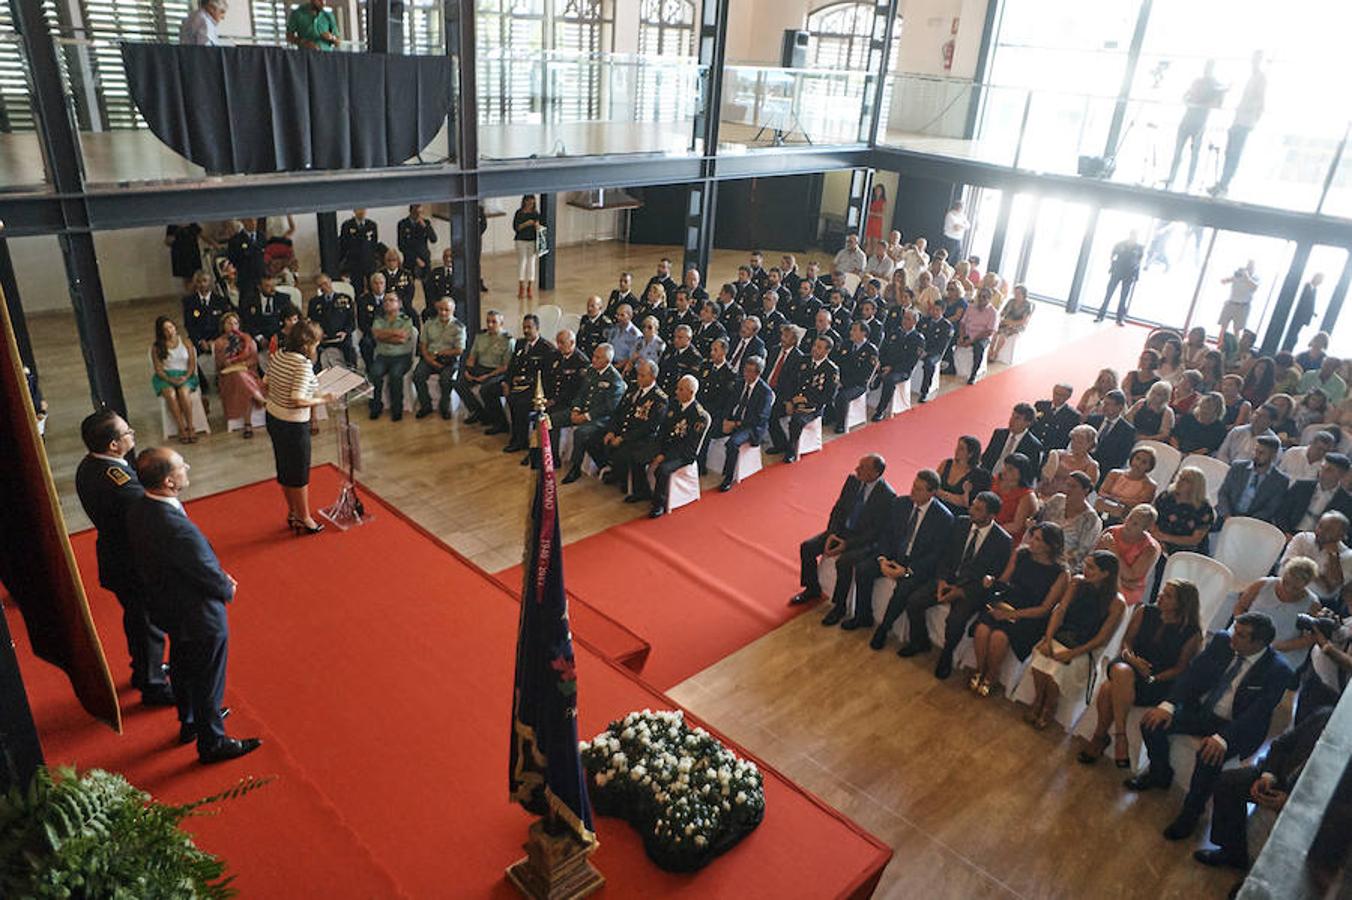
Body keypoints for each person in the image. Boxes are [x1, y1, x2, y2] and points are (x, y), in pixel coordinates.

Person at [126, 448, 262, 763]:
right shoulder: (176, 528)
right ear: (169, 481)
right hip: (198, 613)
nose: (186, 467)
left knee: (184, 665)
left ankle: (190, 722)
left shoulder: (140, 508)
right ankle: (212, 740)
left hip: (169, 606)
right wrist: (226, 586)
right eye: (180, 466)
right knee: (209, 675)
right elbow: (202, 568)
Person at [1126, 612, 1294, 842]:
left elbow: (1257, 713)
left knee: (1210, 756)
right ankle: (1160, 772)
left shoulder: (1278, 670)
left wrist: (1223, 738)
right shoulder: (1223, 642)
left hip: (1236, 726)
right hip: (1203, 711)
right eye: (1236, 629)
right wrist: (1169, 705)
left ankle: (1191, 812)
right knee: (1152, 723)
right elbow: (1192, 675)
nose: (1234, 637)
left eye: (1242, 636)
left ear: (1259, 643)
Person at [75, 412, 173, 706]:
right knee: (147, 623)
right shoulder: (118, 481)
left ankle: (144, 669)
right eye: (127, 432)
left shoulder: (89, 466)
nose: (133, 434)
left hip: (116, 556)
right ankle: (153, 685)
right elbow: (151, 511)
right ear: (115, 445)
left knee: (137, 619)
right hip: (132, 562)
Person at [1078, 579, 1202, 767]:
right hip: (1129, 663)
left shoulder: (1192, 633)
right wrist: (1134, 660)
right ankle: (1121, 736)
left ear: (1181, 603)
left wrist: (1152, 677)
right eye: (1162, 592)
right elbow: (1126, 643)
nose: (1160, 596)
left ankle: (1100, 737)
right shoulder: (1145, 611)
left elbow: (1180, 668)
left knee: (1108, 688)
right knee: (1121, 671)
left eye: (1168, 596)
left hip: (1156, 680)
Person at [887, 491, 1013, 673]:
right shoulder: (961, 523)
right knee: (914, 601)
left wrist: (961, 592)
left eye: (978, 509)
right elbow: (945, 555)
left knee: (956, 620)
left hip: (970, 589)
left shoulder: (1002, 541)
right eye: (973, 505)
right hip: (948, 579)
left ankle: (947, 654)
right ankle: (919, 641)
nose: (971, 511)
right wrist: (942, 581)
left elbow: (993, 577)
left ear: (991, 516)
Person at [1196, 707, 1332, 870]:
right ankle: (1232, 853)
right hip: (1279, 778)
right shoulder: (1325, 716)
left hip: (1312, 803)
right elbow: (1281, 745)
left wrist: (1292, 802)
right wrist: (1268, 776)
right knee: (1228, 782)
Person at [835, 469, 955, 630]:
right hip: (893, 556)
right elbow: (886, 534)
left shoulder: (943, 518)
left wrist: (907, 570)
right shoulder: (901, 503)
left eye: (919, 489)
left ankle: (884, 628)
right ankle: (863, 616)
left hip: (914, 563)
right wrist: (883, 559)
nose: (913, 491)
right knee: (864, 570)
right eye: (913, 485)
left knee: (903, 589)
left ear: (932, 493)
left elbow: (935, 554)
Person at [1025, 551, 1125, 729]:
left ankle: (1049, 707)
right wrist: (1047, 639)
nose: (1086, 570)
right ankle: (1039, 699)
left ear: (1105, 573)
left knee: (1058, 671)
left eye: (1092, 568)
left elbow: (1102, 639)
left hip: (1085, 647)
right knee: (1040, 660)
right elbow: (1060, 610)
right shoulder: (1077, 582)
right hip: (1064, 635)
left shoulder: (1117, 603)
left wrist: (1072, 653)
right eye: (1086, 565)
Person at [969, 522, 1069, 697]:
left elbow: (1045, 609)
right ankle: (979, 669)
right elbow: (1004, 580)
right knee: (982, 630)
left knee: (999, 637)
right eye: (1032, 536)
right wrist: (992, 581)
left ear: (1049, 546)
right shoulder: (1021, 554)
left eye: (1037, 539)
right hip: (1008, 601)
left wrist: (1010, 614)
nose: (1031, 541)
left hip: (1030, 614)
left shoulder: (1060, 573)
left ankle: (992, 675)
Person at [790, 454, 895, 607]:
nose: (856, 469)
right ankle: (812, 588)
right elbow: (838, 510)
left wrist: (846, 544)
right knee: (808, 547)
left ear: (875, 473)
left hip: (861, 540)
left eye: (862, 468)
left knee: (844, 562)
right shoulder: (853, 481)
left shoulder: (887, 495)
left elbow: (875, 532)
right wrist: (832, 534)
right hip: (841, 531)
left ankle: (839, 605)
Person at [263, 321, 334, 534]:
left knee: (285, 469)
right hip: (293, 424)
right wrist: (324, 400)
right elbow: (298, 400)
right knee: (299, 473)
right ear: (306, 345)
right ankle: (305, 518)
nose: (316, 348)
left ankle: (293, 512)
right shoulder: (302, 365)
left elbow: (265, 382)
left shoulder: (280, 355)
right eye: (315, 344)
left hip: (274, 417)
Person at [1232, 557, 1320, 670]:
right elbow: (1241, 606)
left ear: (1306, 584)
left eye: (1295, 588)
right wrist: (1241, 630)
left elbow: (1309, 638)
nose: (1288, 589)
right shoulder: (1262, 584)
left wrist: (1278, 646)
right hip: (1247, 636)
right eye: (1286, 582)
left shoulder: (1312, 604)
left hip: (1282, 650)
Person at [641, 375, 708, 519]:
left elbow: (688, 446)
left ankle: (659, 504)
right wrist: (657, 449)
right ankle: (641, 491)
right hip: (666, 446)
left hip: (682, 454)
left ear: (691, 392)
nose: (676, 392)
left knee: (662, 470)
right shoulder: (674, 404)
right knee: (639, 456)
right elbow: (663, 430)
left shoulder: (698, 416)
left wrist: (664, 455)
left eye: (681, 389)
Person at [560, 343, 627, 484]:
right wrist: (576, 409)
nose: (593, 359)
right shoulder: (591, 371)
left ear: (607, 361)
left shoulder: (615, 380)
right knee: (552, 418)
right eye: (594, 356)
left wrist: (585, 416)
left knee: (581, 433)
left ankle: (575, 468)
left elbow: (609, 408)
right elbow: (582, 393)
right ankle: (550, 456)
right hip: (582, 411)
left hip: (601, 419)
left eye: (598, 357)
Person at [595, 359, 667, 491]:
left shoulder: (660, 399)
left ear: (653, 377)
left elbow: (649, 427)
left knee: (622, 454)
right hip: (622, 430)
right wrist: (611, 431)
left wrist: (623, 438)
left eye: (642, 375)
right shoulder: (633, 388)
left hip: (640, 438)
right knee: (593, 440)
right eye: (638, 374)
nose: (638, 378)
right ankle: (616, 471)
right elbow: (618, 412)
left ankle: (624, 479)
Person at [767, 335, 839, 464]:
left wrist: (805, 399)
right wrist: (789, 400)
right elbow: (790, 382)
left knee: (796, 420)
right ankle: (780, 444)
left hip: (812, 406)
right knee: (772, 413)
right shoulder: (803, 360)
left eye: (819, 347)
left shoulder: (831, 370)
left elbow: (828, 397)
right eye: (814, 346)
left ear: (827, 351)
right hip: (793, 400)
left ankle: (791, 451)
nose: (815, 349)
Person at [1209, 51, 1267, 197]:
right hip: (1239, 120)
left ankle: (1223, 185)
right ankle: (1222, 183)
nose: (1253, 62)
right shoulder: (1252, 78)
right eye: (1253, 59)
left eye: (1256, 59)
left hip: (1245, 121)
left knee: (1233, 154)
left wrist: (1252, 118)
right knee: (1229, 153)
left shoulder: (1260, 79)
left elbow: (1259, 102)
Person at [716, 356, 773, 492]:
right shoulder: (740, 384)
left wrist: (735, 424)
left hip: (751, 427)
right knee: (711, 428)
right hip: (734, 420)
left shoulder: (765, 392)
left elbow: (759, 418)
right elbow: (729, 404)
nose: (745, 374)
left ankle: (728, 478)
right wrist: (725, 420)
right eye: (745, 370)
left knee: (732, 443)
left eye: (749, 371)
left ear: (757, 373)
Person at [1166, 60, 1225, 190]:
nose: (1206, 70)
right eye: (1206, 67)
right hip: (1187, 120)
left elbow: (1218, 104)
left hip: (1199, 123)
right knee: (1178, 152)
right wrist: (1190, 101)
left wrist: (1204, 103)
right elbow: (1185, 96)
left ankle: (1189, 182)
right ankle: (1171, 178)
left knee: (1194, 154)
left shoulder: (1216, 86)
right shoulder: (1197, 82)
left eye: (1209, 67)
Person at [502, 314, 556, 453]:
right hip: (518, 385)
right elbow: (512, 366)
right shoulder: (520, 343)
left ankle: (520, 441)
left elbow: (546, 375)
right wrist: (507, 382)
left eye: (529, 327)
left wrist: (524, 379)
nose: (526, 330)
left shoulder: (546, 348)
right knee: (502, 394)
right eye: (524, 327)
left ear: (537, 328)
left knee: (518, 403)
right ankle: (511, 433)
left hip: (535, 389)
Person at [455, 310, 514, 432]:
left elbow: (506, 366)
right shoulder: (480, 337)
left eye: (494, 322)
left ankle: (500, 423)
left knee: (486, 389)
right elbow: (472, 357)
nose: (490, 325)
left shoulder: (508, 340)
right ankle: (479, 413)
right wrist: (468, 371)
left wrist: (487, 376)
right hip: (481, 368)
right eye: (488, 322)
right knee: (459, 383)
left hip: (497, 371)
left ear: (501, 323)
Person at [1033, 471, 1102, 574]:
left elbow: (1082, 552)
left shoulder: (1091, 519)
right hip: (1040, 548)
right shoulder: (1057, 500)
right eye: (1067, 485)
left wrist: (1056, 556)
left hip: (1065, 561)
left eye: (1073, 487)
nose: (1068, 489)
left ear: (1085, 491)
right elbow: (1039, 522)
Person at [1282, 511, 1352, 607]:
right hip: (1284, 586)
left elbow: (1332, 587)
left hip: (1316, 603)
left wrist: (1333, 556)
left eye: (1328, 530)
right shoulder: (1302, 538)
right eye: (1320, 526)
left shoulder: (1348, 556)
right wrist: (1322, 579)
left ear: (1341, 535)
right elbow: (1287, 564)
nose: (1320, 531)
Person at [1096, 504, 1162, 606]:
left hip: (1127, 589)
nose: (1129, 524)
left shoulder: (1150, 548)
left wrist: (1113, 550)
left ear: (1145, 528)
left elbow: (1130, 576)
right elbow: (1094, 560)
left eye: (1135, 524)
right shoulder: (1111, 532)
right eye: (1130, 518)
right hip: (1102, 578)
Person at [1216, 435, 1289, 525]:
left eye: (1261, 453)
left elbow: (1270, 509)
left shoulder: (1280, 480)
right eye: (1255, 451)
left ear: (1273, 455)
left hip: (1254, 523)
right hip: (1227, 516)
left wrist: (1246, 522)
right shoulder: (1238, 467)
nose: (1256, 455)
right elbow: (1223, 493)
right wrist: (1227, 516)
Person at [212, 312, 265, 438]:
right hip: (228, 377)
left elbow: (254, 360)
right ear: (223, 326)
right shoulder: (219, 343)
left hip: (249, 373)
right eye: (229, 323)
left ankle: (248, 424)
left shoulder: (247, 339)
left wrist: (242, 364)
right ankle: (257, 401)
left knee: (242, 379)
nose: (232, 326)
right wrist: (232, 362)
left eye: (235, 323)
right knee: (238, 375)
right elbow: (220, 364)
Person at [412, 296, 465, 420]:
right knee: (418, 375)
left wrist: (440, 353)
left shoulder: (459, 327)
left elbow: (459, 350)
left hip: (449, 360)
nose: (443, 313)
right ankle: (426, 406)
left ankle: (444, 407)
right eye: (441, 309)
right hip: (429, 357)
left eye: (447, 310)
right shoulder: (429, 323)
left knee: (445, 380)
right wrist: (429, 359)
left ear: (453, 310)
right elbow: (423, 344)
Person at [366, 293, 416, 422]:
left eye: (391, 300)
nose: (387, 303)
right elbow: (376, 335)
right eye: (385, 301)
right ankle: (376, 406)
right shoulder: (379, 319)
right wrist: (395, 334)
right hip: (383, 356)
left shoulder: (406, 319)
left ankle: (397, 409)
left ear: (399, 303)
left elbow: (403, 339)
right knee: (374, 373)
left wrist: (385, 335)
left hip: (402, 356)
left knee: (395, 375)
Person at [150, 316, 201, 444]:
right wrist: (170, 379)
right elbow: (159, 369)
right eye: (165, 329)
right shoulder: (157, 347)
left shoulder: (186, 342)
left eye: (171, 327)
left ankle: (190, 426)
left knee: (183, 393)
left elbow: (192, 364)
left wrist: (186, 376)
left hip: (185, 375)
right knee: (171, 395)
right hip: (166, 377)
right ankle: (181, 428)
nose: (170, 331)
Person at [1277, 456, 1352, 536]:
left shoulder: (1347, 501)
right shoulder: (1301, 486)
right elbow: (1282, 512)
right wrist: (1286, 533)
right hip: (1288, 532)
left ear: (1341, 474)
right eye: (1322, 467)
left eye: (1329, 470)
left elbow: (1342, 531)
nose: (1322, 472)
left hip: (1318, 541)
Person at [872, 308, 924, 421]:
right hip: (888, 365)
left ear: (915, 322)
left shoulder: (918, 339)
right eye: (904, 318)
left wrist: (892, 368)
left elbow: (910, 362)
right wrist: (880, 362)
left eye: (908, 319)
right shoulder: (895, 333)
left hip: (902, 370)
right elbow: (884, 349)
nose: (904, 321)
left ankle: (881, 410)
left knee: (889, 380)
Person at [830, 321, 878, 434]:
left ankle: (841, 424)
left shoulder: (871, 351)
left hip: (858, 384)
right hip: (842, 379)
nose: (851, 332)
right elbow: (838, 363)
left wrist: (844, 383)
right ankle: (829, 416)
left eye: (854, 330)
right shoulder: (846, 344)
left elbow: (864, 376)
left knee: (842, 397)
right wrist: (837, 378)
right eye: (851, 329)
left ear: (863, 333)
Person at [1096, 447, 1159, 524]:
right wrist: (1117, 501)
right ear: (1132, 458)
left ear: (1149, 466)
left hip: (1127, 513)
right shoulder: (1115, 473)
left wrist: (1117, 501)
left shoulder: (1150, 485)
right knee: (1099, 502)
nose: (1138, 463)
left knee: (1119, 510)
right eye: (1137, 458)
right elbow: (1102, 492)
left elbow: (1139, 504)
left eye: (1144, 462)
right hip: (1107, 504)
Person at [1039, 424, 1099, 500]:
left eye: (1080, 442)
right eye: (1073, 440)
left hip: (1068, 502)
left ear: (1090, 444)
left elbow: (1085, 491)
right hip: (1044, 494)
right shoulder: (1059, 455)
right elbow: (1044, 478)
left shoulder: (1091, 465)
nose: (1075, 444)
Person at [981, 403, 1043, 474]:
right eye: (1012, 416)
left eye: (1017, 418)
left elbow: (1030, 473)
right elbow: (986, 458)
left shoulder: (1033, 446)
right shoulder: (999, 434)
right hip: (989, 476)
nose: (1011, 420)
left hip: (1011, 482)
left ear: (1028, 423)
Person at [1096, 231, 1143, 325]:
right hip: (1117, 272)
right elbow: (1112, 256)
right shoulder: (1120, 244)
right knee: (1108, 294)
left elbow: (1138, 262)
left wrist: (1136, 275)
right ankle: (1100, 315)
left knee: (1123, 298)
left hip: (1129, 274)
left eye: (1135, 236)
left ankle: (1119, 318)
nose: (1133, 237)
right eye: (1132, 235)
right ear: (1129, 235)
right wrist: (1112, 266)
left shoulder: (1139, 248)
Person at [936, 435, 992, 514]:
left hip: (957, 513)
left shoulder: (979, 475)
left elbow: (967, 503)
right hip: (936, 505)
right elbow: (932, 487)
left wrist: (942, 494)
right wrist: (954, 498)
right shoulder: (946, 464)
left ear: (970, 454)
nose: (956, 450)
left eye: (961, 449)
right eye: (957, 447)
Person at [991, 453, 1038, 546]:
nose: (1004, 471)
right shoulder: (997, 480)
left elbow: (1016, 526)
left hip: (1006, 537)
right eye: (1005, 466)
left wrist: (990, 529)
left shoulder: (1026, 496)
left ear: (1021, 473)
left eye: (1010, 469)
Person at [957, 287, 997, 384]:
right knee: (949, 337)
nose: (981, 299)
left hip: (981, 336)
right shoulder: (970, 307)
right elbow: (962, 323)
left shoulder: (993, 312)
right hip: (967, 333)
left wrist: (972, 340)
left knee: (979, 347)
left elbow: (989, 331)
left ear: (989, 299)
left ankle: (973, 374)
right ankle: (949, 366)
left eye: (984, 297)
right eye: (979, 296)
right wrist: (961, 336)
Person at [1170, 391, 1228, 455]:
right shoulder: (1187, 418)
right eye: (1204, 404)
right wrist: (1177, 450)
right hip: (1177, 451)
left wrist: (1189, 454)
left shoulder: (1220, 429)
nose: (1205, 408)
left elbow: (1209, 449)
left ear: (1217, 410)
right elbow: (1174, 436)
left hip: (1198, 457)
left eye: (1210, 406)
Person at [396, 203, 437, 286]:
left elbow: (434, 239)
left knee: (428, 287)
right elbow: (402, 246)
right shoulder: (403, 224)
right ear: (411, 211)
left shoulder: (425, 223)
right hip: (410, 260)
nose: (418, 215)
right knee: (408, 286)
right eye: (416, 213)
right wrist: (415, 259)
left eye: (420, 213)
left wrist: (426, 227)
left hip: (424, 260)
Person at [1031, 383, 1080, 452]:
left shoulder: (1072, 415)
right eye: (1056, 393)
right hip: (1033, 445)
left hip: (1052, 450)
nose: (1057, 397)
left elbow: (1067, 438)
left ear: (1068, 397)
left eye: (1062, 395)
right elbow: (1031, 424)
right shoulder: (1041, 405)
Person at [1283, 273, 1324, 354]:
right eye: (1320, 280)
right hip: (1297, 317)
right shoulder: (1306, 286)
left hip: (1303, 319)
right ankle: (1286, 351)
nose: (1320, 282)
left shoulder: (1314, 290)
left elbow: (1310, 303)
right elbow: (1302, 302)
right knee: (1292, 336)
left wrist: (1312, 313)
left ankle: (1288, 351)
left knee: (1294, 336)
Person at [339, 209, 379, 290]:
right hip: (354, 263)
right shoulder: (347, 225)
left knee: (373, 285)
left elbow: (374, 243)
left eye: (363, 209)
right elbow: (343, 244)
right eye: (359, 209)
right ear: (354, 211)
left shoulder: (372, 225)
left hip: (369, 262)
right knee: (357, 287)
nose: (361, 212)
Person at [1218, 261, 1260, 337]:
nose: (1248, 268)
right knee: (1223, 327)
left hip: (1243, 306)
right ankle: (1219, 346)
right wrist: (1233, 277)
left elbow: (1254, 287)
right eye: (1248, 266)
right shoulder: (1239, 275)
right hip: (1231, 303)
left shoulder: (1255, 278)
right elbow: (1224, 281)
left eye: (1251, 267)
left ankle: (1235, 348)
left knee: (1237, 330)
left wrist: (1246, 277)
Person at [512, 195, 541, 299]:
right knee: (522, 262)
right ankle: (521, 287)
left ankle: (530, 287)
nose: (530, 205)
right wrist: (527, 223)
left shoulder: (536, 214)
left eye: (532, 203)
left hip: (532, 241)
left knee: (531, 263)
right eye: (528, 202)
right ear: (524, 202)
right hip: (521, 240)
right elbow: (516, 228)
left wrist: (537, 226)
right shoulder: (519, 213)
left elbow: (539, 228)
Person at [424, 248, 457, 320]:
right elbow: (430, 291)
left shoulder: (460, 272)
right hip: (438, 306)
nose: (448, 259)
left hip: (456, 307)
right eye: (446, 257)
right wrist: (435, 303)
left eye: (450, 256)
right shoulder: (435, 273)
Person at [576, 294, 613, 360]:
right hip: (580, 355)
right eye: (588, 306)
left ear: (600, 307)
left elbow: (604, 347)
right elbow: (579, 337)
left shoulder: (606, 324)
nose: (589, 309)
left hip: (594, 358)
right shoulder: (585, 318)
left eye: (592, 306)